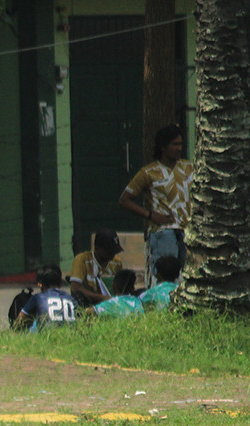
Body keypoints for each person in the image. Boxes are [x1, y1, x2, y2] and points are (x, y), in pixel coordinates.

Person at [118, 125, 193, 286]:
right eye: (174, 144)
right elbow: (125, 199)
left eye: (180, 144)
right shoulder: (149, 172)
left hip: (188, 230)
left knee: (187, 277)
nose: (179, 148)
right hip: (163, 232)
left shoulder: (189, 168)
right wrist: (151, 216)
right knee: (165, 277)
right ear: (162, 147)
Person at [12, 265, 78, 332]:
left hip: (47, 335)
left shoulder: (38, 298)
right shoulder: (71, 299)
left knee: (34, 324)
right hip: (68, 335)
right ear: (61, 283)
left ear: (40, 284)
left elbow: (20, 320)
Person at [68, 228, 125, 307]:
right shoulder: (82, 260)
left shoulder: (116, 262)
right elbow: (75, 287)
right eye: (109, 251)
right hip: (88, 304)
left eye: (114, 251)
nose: (112, 255)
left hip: (110, 304)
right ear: (97, 248)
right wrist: (102, 298)